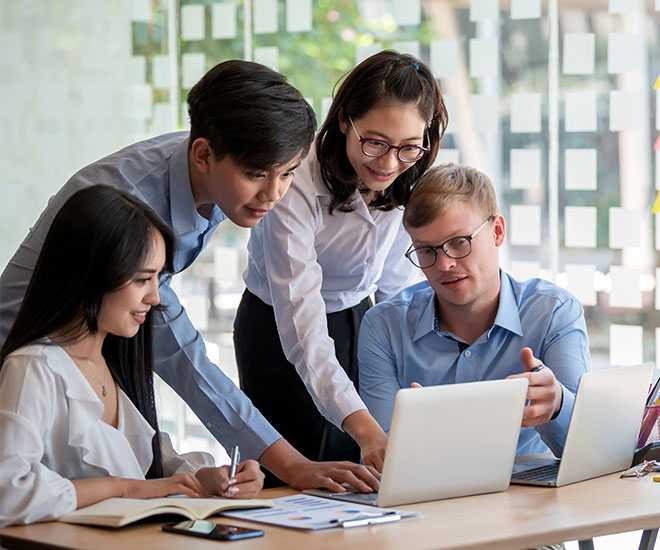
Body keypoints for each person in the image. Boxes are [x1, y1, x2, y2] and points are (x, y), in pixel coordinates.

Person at [0, 60, 379, 493]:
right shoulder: (132, 207)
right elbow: (182, 354)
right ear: (203, 155)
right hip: (23, 384)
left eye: (288, 174)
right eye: (257, 175)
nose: (274, 194)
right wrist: (291, 465)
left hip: (88, 369)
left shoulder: (218, 174)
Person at [235, 50, 449, 480]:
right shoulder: (295, 179)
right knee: (295, 475)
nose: (388, 163)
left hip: (359, 315)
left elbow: (398, 291)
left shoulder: (410, 169)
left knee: (364, 474)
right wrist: (367, 428)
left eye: (408, 147)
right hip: (277, 327)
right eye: (375, 142)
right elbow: (303, 326)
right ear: (343, 121)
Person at [0, 186, 265, 527]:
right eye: (142, 280)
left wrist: (210, 479)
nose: (155, 297)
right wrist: (121, 488)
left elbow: (154, 463)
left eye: (158, 278)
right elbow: (8, 490)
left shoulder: (112, 365)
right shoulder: (33, 369)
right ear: (90, 275)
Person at [358, 163, 590, 458]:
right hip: (430, 498)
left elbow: (583, 451)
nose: (444, 264)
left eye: (459, 243)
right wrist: (415, 437)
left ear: (497, 231)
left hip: (530, 499)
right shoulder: (384, 326)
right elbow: (383, 454)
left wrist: (557, 404)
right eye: (427, 251)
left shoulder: (554, 312)